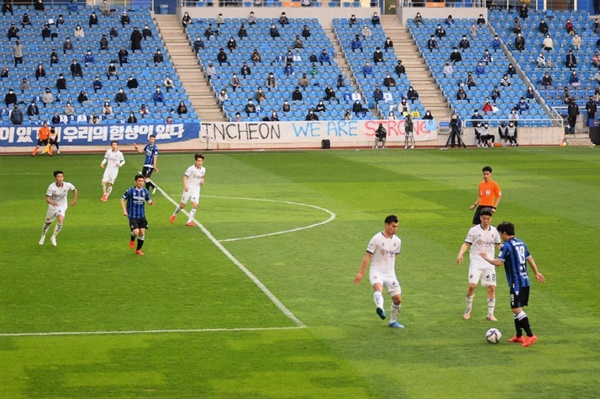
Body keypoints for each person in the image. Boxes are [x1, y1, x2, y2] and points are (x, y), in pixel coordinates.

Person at [480, 221, 546, 347]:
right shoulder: (521, 242)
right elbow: (530, 258)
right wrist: (536, 272)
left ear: (504, 233)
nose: (500, 236)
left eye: (500, 234)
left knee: (516, 309)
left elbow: (499, 263)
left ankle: (530, 335)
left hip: (517, 282)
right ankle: (519, 335)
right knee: (515, 308)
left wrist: (485, 258)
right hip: (525, 280)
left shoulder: (507, 246)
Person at [354, 215, 405, 329]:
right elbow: (367, 256)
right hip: (376, 271)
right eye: (393, 226)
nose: (395, 229)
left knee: (398, 299)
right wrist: (361, 273)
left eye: (396, 227)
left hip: (390, 274)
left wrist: (391, 270)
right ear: (386, 225)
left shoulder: (397, 241)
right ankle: (380, 308)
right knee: (378, 288)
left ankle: (392, 322)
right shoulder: (376, 239)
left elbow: (394, 257)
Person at [456, 207, 501, 321]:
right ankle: (468, 309)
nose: (486, 221)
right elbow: (466, 244)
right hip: (476, 262)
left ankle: (490, 314)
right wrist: (460, 254)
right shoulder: (474, 230)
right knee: (472, 286)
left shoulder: (494, 231)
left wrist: (505, 256)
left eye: (488, 218)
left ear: (491, 218)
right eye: (484, 218)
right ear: (480, 218)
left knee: (491, 287)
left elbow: (499, 245)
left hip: (489, 263)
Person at [39, 170, 78, 247]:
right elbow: (47, 199)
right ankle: (43, 236)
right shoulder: (51, 187)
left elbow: (74, 189)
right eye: (58, 177)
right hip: (53, 206)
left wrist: (74, 200)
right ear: (55, 178)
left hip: (62, 206)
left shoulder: (67, 185)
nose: (60, 178)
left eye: (62, 176)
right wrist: (52, 203)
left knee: (60, 220)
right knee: (48, 223)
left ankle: (53, 237)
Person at [121, 174, 154, 256]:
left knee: (142, 232)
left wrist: (150, 203)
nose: (141, 183)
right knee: (136, 232)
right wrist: (124, 210)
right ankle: (132, 239)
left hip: (142, 216)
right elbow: (122, 199)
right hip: (132, 216)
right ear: (135, 181)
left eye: (142, 181)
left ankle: (138, 250)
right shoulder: (130, 191)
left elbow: (148, 200)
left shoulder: (145, 191)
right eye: (139, 181)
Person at [169, 153, 206, 227]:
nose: (199, 162)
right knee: (183, 205)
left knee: (195, 205)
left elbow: (202, 178)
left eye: (201, 161)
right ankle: (174, 215)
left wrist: (202, 182)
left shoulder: (203, 169)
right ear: (195, 161)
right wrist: (185, 185)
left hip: (196, 189)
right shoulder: (191, 168)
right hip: (188, 188)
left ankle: (189, 221)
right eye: (198, 161)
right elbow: (185, 177)